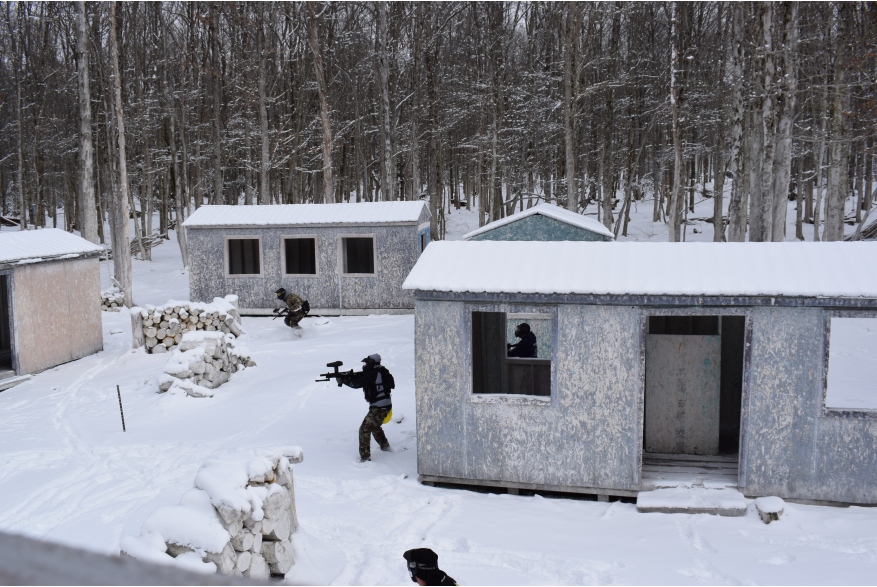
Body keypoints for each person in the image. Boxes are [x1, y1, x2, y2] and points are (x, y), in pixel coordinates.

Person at [340, 354, 394, 462]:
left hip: (379, 407)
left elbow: (357, 384)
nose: (365, 365)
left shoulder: (373, 373)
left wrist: (343, 380)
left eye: (367, 363)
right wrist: (348, 377)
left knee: (364, 429)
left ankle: (365, 458)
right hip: (383, 405)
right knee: (374, 426)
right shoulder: (380, 371)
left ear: (372, 363)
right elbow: (362, 379)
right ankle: (385, 447)